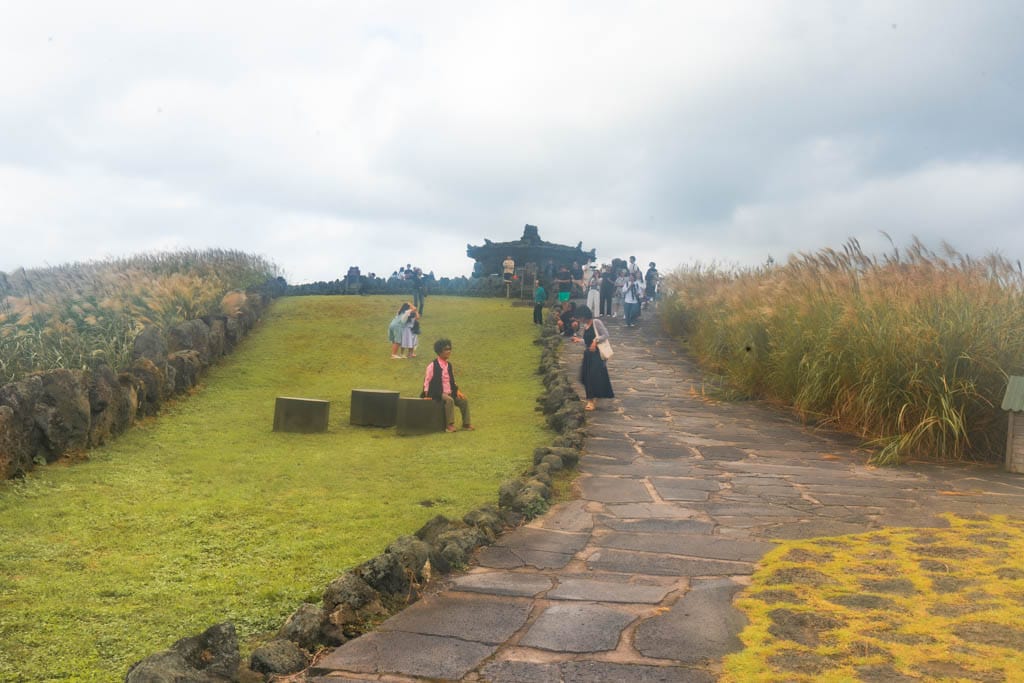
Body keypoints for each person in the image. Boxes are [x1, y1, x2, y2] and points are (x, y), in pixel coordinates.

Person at [422, 338, 473, 432]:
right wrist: (426, 395)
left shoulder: (449, 365)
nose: (448, 351)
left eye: (449, 349)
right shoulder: (432, 365)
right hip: (437, 393)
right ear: (439, 351)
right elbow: (427, 381)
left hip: (450, 392)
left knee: (463, 400)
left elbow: (452, 381)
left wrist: (458, 391)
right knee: (449, 400)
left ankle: (466, 424)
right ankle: (449, 425)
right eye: (446, 349)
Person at [572, 305, 614, 411]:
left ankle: (590, 400)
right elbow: (587, 341)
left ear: (584, 315)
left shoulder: (596, 323)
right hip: (588, 355)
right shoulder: (585, 326)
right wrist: (579, 340)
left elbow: (605, 335)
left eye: (580, 317)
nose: (580, 320)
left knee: (592, 376)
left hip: (597, 355)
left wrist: (596, 341)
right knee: (585, 377)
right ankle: (593, 397)